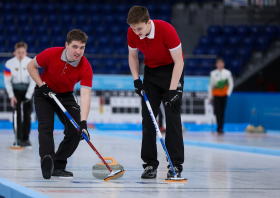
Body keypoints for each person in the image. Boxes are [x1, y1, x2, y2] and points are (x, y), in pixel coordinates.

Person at [127, 6, 185, 179]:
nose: (136, 33)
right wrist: (136, 80)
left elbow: (179, 62)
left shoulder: (166, 30)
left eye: (139, 28)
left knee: (172, 117)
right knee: (149, 118)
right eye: (133, 29)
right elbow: (132, 56)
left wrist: (173, 89)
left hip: (172, 71)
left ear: (148, 22)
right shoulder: (132, 33)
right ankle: (150, 164)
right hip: (151, 73)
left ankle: (175, 164)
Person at [27, 29, 93, 179]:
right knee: (46, 125)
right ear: (66, 45)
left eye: (82, 47)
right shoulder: (51, 53)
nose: (78, 51)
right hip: (44, 92)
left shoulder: (86, 67)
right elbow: (31, 66)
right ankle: (47, 159)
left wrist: (83, 122)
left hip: (66, 95)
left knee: (76, 130)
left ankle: (58, 164)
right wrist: (42, 85)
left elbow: (85, 95)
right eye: (75, 47)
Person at [4, 42, 35, 147]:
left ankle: (26, 139)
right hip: (15, 91)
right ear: (14, 53)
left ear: (25, 52)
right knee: (16, 115)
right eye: (18, 52)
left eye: (22, 52)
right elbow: (7, 81)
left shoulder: (31, 62)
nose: (21, 54)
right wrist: (11, 96)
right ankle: (18, 138)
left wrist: (29, 95)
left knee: (27, 115)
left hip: (28, 91)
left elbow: (33, 80)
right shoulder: (9, 64)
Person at [208, 58, 234, 134]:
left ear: (223, 64)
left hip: (224, 95)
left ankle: (220, 127)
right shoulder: (213, 73)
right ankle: (219, 127)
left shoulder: (227, 73)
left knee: (222, 111)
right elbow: (210, 85)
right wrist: (210, 96)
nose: (220, 65)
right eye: (218, 64)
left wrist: (228, 93)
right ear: (216, 65)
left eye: (221, 63)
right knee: (217, 111)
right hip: (216, 94)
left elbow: (231, 84)